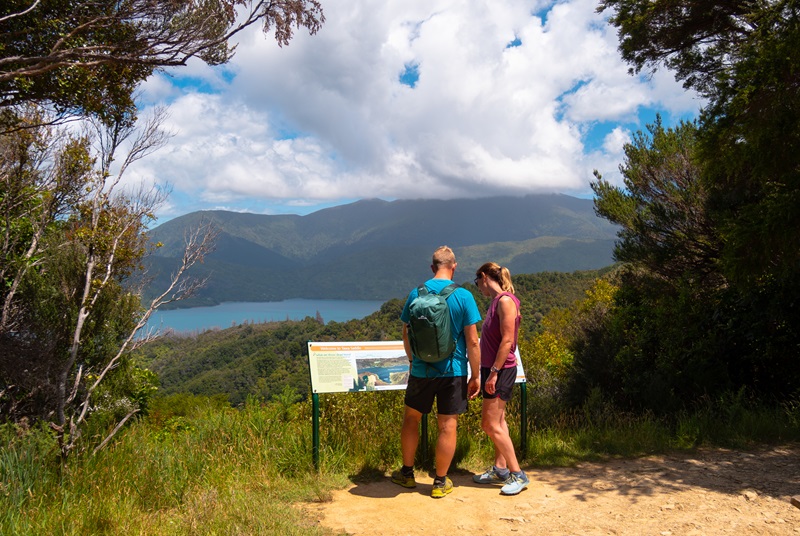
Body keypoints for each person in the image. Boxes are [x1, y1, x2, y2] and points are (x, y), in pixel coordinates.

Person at [391, 246, 482, 498]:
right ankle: (440, 482)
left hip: (422, 371)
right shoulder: (463, 296)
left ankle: (407, 474)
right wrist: (475, 376)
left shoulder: (415, 293)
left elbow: (407, 333)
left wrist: (413, 361)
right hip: (452, 372)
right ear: (454, 267)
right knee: (447, 426)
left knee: (411, 419)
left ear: (432, 268)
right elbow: (473, 341)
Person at [472, 262, 530, 495]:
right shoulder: (497, 302)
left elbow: (508, 341)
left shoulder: (505, 301)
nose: (478, 288)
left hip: (500, 370)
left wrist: (494, 373)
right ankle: (500, 468)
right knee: (500, 421)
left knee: (490, 424)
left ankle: (518, 475)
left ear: (484, 277)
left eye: (478, 282)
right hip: (492, 368)